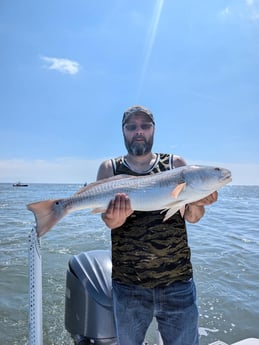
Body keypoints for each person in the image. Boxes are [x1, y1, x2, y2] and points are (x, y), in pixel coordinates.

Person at [97, 105, 218, 345]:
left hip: (177, 283)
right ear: (123, 131)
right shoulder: (109, 168)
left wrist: (198, 201)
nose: (138, 131)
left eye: (145, 126)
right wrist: (117, 217)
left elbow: (192, 217)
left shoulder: (176, 164)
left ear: (154, 129)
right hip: (129, 285)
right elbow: (110, 222)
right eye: (132, 127)